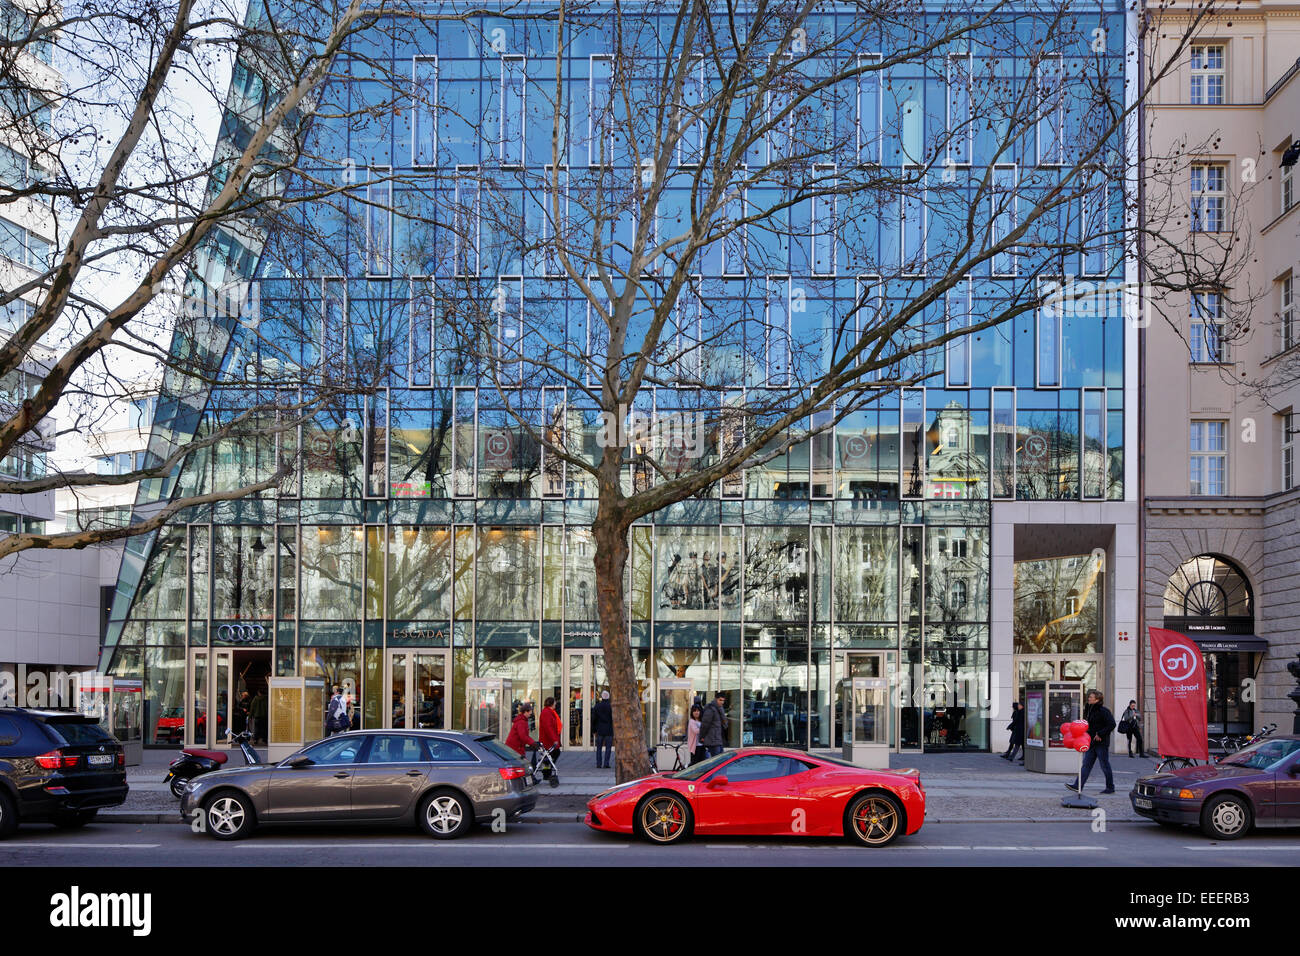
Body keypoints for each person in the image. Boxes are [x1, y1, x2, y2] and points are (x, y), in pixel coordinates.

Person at [1066, 689, 1116, 795]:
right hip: (1090, 742)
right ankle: (1077, 785)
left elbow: (1112, 724)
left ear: (1097, 699)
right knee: (1086, 765)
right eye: (1089, 697)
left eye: (1091, 697)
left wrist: (1100, 734)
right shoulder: (1088, 710)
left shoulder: (1104, 711)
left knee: (1104, 765)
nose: (1089, 698)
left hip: (1101, 743)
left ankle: (1110, 787)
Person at [538, 697, 562, 777]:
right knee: (551, 755)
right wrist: (554, 739)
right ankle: (547, 772)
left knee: (550, 755)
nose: (556, 704)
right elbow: (548, 727)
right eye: (555, 702)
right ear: (551, 703)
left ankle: (547, 772)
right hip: (548, 740)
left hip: (549, 739)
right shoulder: (547, 713)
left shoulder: (550, 712)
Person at [699, 692, 728, 757]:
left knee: (720, 760)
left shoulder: (720, 709)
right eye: (720, 700)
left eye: (723, 700)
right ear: (715, 699)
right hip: (712, 740)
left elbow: (724, 724)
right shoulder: (710, 709)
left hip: (719, 739)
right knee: (716, 761)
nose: (722, 702)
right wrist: (702, 736)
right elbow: (705, 724)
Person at [591, 690, 614, 769]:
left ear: (602, 697)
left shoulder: (597, 706)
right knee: (608, 748)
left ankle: (598, 763)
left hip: (600, 730)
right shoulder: (611, 706)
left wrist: (593, 730)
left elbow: (593, 719)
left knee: (599, 748)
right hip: (609, 730)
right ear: (608, 697)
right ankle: (606, 763)